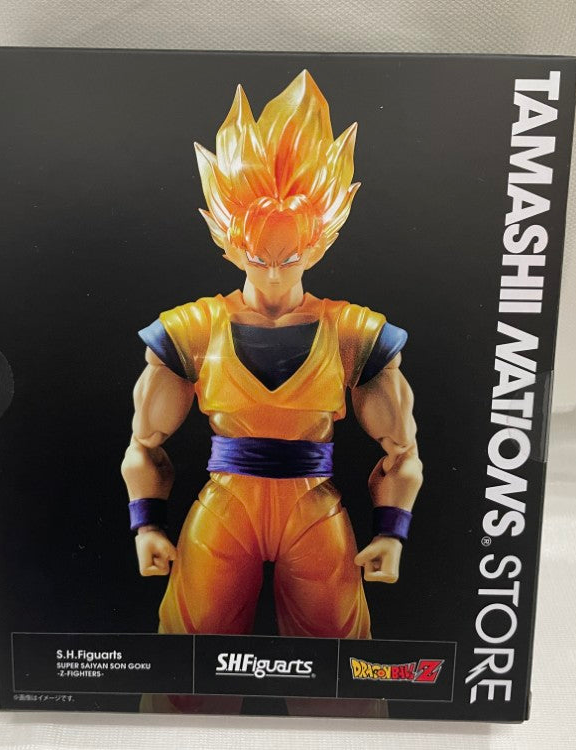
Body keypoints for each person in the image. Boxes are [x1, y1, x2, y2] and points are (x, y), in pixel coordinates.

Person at [121, 70, 423, 645]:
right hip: (227, 502)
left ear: (318, 244)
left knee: (335, 659)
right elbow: (144, 445)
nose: (276, 274)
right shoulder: (193, 329)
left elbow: (401, 451)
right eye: (261, 258)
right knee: (191, 652)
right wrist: (146, 524)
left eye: (291, 258)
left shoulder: (353, 332)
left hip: (312, 506)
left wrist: (392, 531)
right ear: (232, 243)